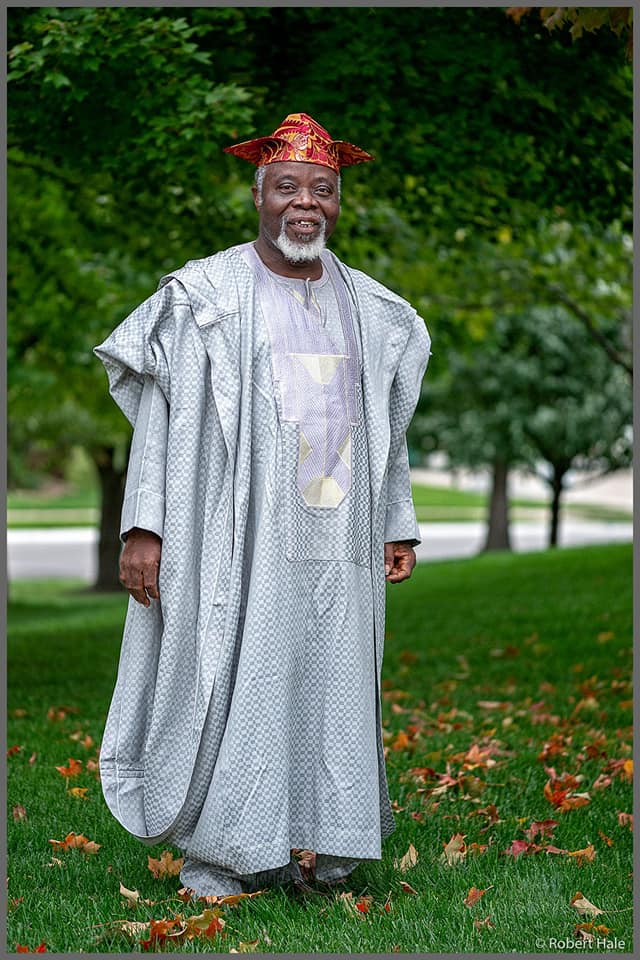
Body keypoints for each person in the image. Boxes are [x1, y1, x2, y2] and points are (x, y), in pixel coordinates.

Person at [94, 112, 431, 898]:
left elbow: (386, 428)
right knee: (234, 678)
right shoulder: (205, 295)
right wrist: (144, 526)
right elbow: (159, 415)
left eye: (322, 189)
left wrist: (396, 522)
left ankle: (331, 846)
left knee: (336, 687)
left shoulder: (373, 308)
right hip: (234, 533)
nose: (305, 203)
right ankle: (226, 855)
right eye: (287, 187)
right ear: (258, 196)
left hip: (339, 535)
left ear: (338, 202)